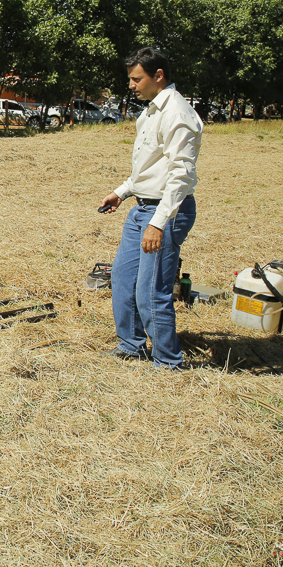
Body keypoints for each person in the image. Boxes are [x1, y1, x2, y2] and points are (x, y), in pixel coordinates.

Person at [98, 47, 202, 370]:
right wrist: (122, 192)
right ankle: (131, 344)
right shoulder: (151, 111)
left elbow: (180, 177)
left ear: (158, 76)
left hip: (167, 212)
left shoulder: (177, 114)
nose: (131, 85)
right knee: (123, 279)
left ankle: (169, 362)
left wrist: (158, 223)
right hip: (141, 208)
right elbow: (147, 168)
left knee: (150, 291)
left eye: (136, 79)